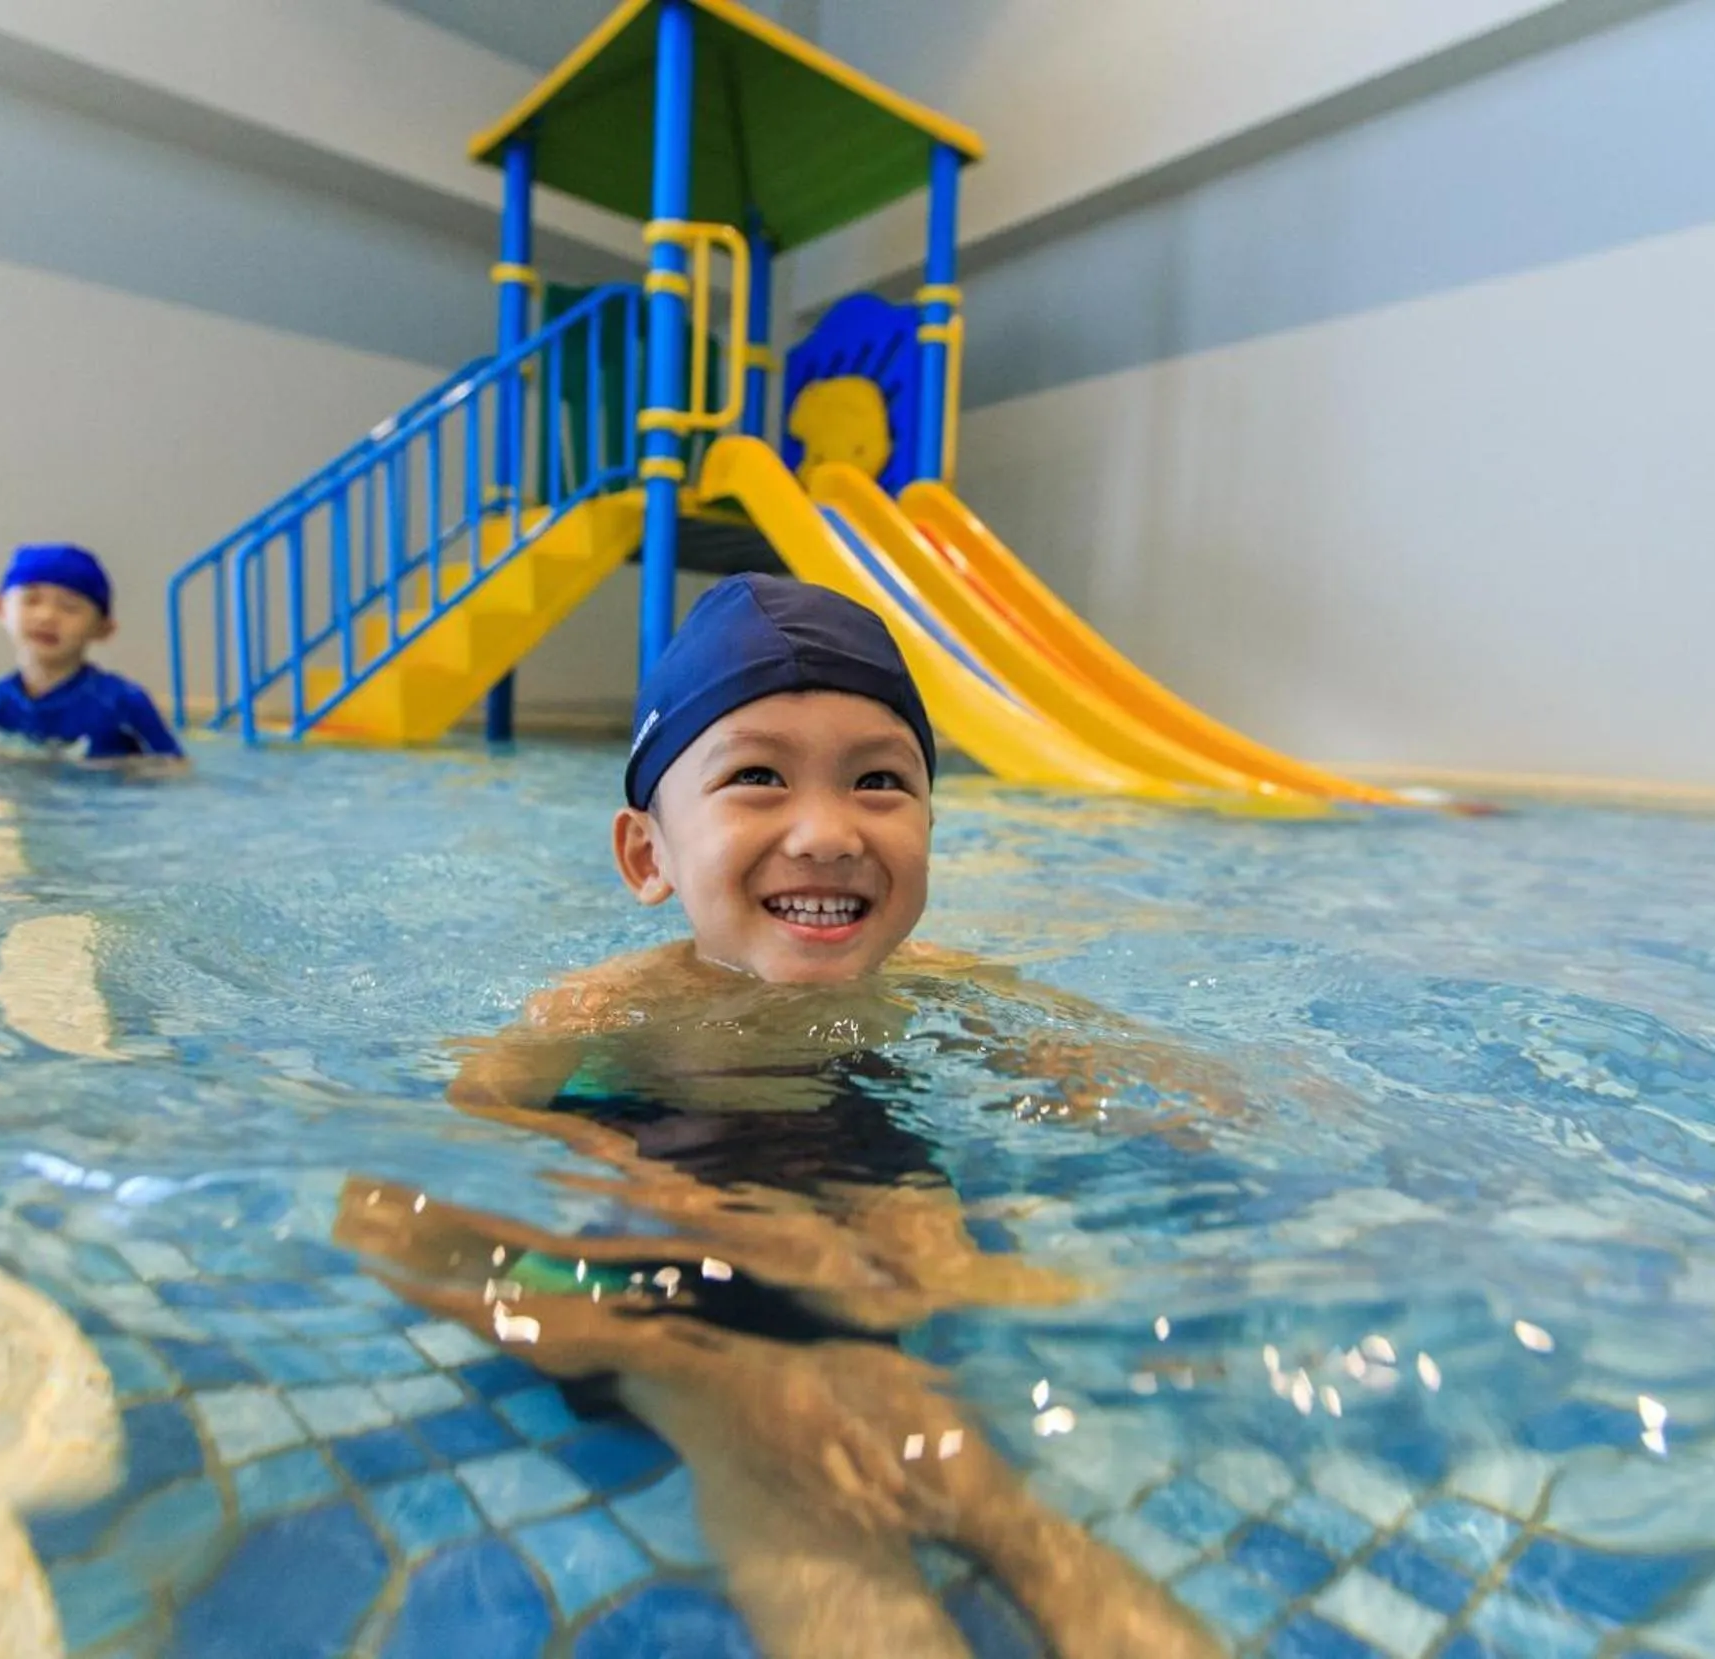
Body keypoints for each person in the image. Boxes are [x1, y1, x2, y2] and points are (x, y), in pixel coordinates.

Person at [336, 576, 1227, 1659]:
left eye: (880, 782)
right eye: (757, 776)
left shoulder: (930, 982)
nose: (826, 830)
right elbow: (455, 1132)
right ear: (646, 855)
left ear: (931, 829)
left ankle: (993, 1520)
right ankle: (732, 1395)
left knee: (957, 1466)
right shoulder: (607, 1010)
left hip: (823, 1230)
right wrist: (678, 1214)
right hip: (650, 1272)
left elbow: (1090, 1060)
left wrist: (1164, 1094)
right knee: (788, 1454)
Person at [0, 544, 183, 764]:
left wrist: (118, 768)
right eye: (31, 601)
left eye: (69, 607)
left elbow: (174, 768)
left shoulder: (123, 703)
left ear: (103, 629)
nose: (47, 616)